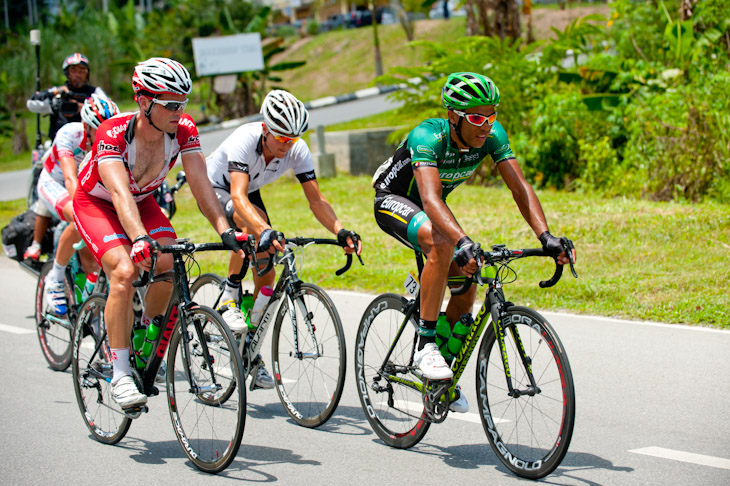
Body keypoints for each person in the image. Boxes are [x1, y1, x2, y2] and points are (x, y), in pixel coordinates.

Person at [371, 72, 576, 413]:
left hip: (432, 208)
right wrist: (463, 239)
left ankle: (440, 379)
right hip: (396, 200)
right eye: (477, 117)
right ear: (454, 116)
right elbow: (431, 198)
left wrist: (546, 236)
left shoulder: (492, 135)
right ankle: (425, 346)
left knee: (467, 285)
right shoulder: (428, 136)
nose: (486, 126)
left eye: (491, 115)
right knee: (443, 243)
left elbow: (519, 187)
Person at [73, 57, 246, 410]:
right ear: (143, 101)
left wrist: (225, 230)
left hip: (143, 200)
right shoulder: (113, 132)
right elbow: (119, 193)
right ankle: (120, 374)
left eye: (183, 103)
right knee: (123, 272)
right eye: (170, 104)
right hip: (98, 203)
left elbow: (200, 185)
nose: (178, 111)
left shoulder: (183, 129)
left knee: (170, 261)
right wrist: (138, 239)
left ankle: (145, 333)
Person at [206, 89, 363, 389]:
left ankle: (249, 350)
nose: (287, 145)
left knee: (266, 259)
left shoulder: (297, 149)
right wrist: (262, 229)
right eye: (281, 138)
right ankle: (229, 295)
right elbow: (238, 198)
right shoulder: (244, 139)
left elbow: (316, 200)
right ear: (265, 129)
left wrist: (340, 230)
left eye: (292, 139)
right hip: (217, 187)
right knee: (251, 228)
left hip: (246, 191)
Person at [36, 94, 119, 316]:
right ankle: (55, 278)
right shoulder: (69, 134)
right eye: (98, 129)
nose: (104, 134)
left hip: (83, 185)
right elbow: (70, 178)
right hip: (55, 182)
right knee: (78, 215)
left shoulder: (113, 137)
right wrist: (83, 209)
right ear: (86, 126)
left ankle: (91, 282)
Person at [24, 53, 107, 262]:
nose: (78, 74)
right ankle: (36, 243)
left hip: (86, 148)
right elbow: (32, 104)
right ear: (67, 74)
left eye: (82, 70)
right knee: (45, 194)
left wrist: (83, 108)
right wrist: (54, 94)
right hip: (58, 148)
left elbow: (107, 110)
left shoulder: (94, 93)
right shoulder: (59, 93)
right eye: (73, 70)